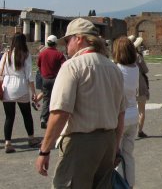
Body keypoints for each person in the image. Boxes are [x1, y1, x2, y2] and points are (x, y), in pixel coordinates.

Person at [35, 18, 126, 188]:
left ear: (79, 38)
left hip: (80, 144)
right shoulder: (114, 68)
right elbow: (121, 114)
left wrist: (44, 150)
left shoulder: (72, 66)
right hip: (108, 141)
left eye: (68, 41)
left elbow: (60, 112)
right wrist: (115, 146)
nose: (66, 47)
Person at [1, 32, 41, 153]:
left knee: (9, 116)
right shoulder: (26, 55)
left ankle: (8, 142)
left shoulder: (6, 54)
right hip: (21, 86)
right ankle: (31, 138)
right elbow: (29, 76)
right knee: (26, 114)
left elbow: (0, 71)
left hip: (7, 87)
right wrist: (33, 92)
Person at [113, 36, 139, 187]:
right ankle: (129, 184)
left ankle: (120, 185)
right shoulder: (134, 68)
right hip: (133, 115)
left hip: (120, 117)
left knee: (116, 155)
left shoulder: (117, 69)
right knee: (128, 154)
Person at [36, 34, 66, 129]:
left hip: (45, 79)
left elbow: (39, 66)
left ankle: (43, 119)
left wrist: (43, 74)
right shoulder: (59, 54)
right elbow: (65, 67)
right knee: (57, 100)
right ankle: (55, 120)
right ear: (55, 44)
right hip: (56, 80)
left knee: (46, 99)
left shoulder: (42, 54)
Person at [134, 37, 150, 139]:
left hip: (125, 85)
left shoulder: (121, 56)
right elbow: (145, 69)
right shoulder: (137, 56)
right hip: (139, 84)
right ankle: (139, 131)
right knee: (141, 110)